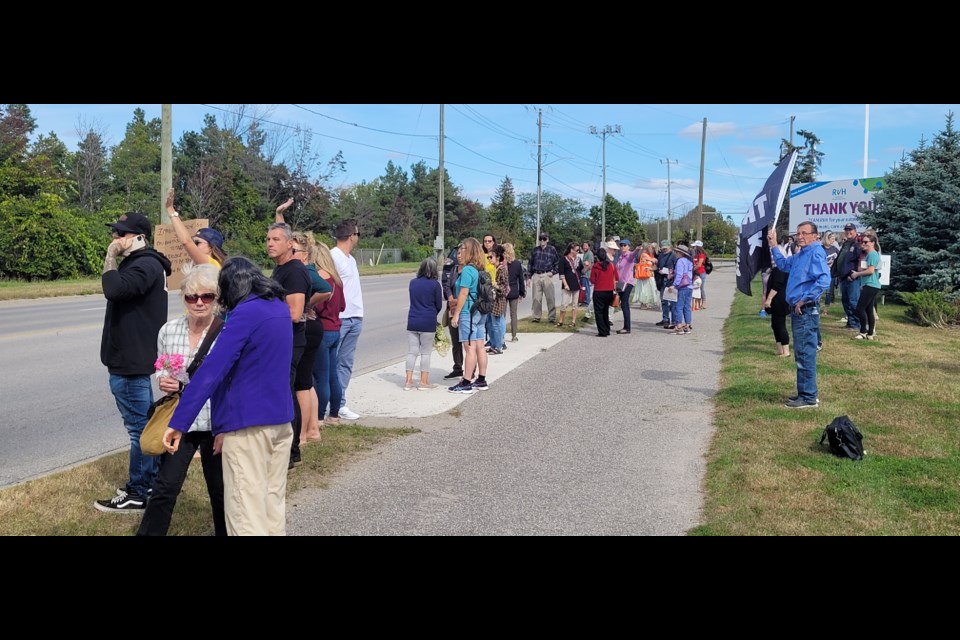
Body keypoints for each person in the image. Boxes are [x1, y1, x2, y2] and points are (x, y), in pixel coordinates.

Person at [164, 257, 294, 535]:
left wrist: (178, 422)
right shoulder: (279, 308)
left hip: (248, 427)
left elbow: (213, 370)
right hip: (281, 422)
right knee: (272, 505)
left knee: (245, 513)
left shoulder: (245, 313)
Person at [137, 264, 226, 536]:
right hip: (181, 420)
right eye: (191, 297)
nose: (199, 302)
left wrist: (227, 429)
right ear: (184, 299)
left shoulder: (227, 332)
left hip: (215, 420)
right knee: (165, 487)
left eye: (207, 296)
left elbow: (233, 380)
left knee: (220, 490)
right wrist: (163, 380)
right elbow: (162, 368)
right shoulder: (168, 331)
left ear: (217, 299)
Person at [94, 211, 172, 513]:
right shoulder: (146, 264)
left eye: (121, 234)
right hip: (133, 357)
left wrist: (109, 257)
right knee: (143, 423)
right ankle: (150, 481)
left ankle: (138, 492)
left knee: (139, 429)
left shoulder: (146, 265)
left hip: (130, 360)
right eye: (114, 233)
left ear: (138, 237)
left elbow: (112, 289)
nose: (115, 239)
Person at [266, 207, 311, 468]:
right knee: (283, 392)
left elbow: (294, 313)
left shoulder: (294, 271)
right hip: (281, 341)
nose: (271, 244)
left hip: (290, 342)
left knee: (287, 393)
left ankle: (291, 452)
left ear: (290, 244)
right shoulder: (282, 269)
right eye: (269, 239)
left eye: (276, 240)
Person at [769, 221, 831, 409]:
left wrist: (804, 299)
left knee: (805, 353)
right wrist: (773, 245)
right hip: (798, 310)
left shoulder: (816, 252)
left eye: (804, 233)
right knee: (802, 353)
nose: (800, 236)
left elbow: (824, 280)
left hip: (805, 310)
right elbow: (783, 265)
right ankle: (805, 393)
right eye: (798, 233)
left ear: (815, 235)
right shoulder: (800, 254)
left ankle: (809, 397)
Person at [292, 232, 332, 444]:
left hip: (308, 327)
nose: (291, 253)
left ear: (305, 254)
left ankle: (301, 434)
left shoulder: (306, 270)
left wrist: (307, 305)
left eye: (295, 251)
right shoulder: (301, 269)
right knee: (307, 382)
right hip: (313, 327)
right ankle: (313, 428)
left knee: (301, 383)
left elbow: (326, 289)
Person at [330, 219, 364, 420]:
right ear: (352, 236)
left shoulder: (350, 259)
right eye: (357, 235)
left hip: (355, 316)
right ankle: (327, 404)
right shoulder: (333, 257)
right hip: (340, 317)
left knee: (345, 363)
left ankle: (340, 403)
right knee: (331, 363)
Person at [448, 238, 489, 393]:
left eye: (463, 249)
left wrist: (456, 314)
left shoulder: (467, 270)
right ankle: (481, 379)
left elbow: (464, 293)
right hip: (479, 311)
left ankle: (466, 382)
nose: (459, 253)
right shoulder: (479, 269)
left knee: (469, 347)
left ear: (470, 251)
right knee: (480, 346)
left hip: (468, 312)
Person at [312, 242, 346, 426]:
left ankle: (319, 416)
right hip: (336, 328)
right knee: (333, 375)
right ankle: (334, 413)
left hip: (322, 329)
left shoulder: (318, 281)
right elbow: (342, 306)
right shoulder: (336, 280)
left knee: (321, 376)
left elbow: (315, 306)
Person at [405, 257, 444, 390]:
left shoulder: (412, 283)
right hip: (428, 321)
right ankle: (423, 382)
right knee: (425, 353)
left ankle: (408, 381)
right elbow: (438, 305)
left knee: (412, 352)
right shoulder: (435, 285)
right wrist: (432, 313)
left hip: (413, 321)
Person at [165, 188, 227, 268]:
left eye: (197, 243)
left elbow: (186, 242)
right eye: (193, 242)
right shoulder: (213, 265)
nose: (193, 245)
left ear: (211, 248)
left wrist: (170, 210)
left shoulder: (211, 264)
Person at [852, 230, 882, 341]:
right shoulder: (869, 255)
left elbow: (870, 271)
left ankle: (863, 331)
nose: (863, 244)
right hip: (869, 284)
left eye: (866, 242)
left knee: (860, 308)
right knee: (869, 309)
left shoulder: (873, 254)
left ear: (872, 243)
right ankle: (870, 334)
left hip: (871, 285)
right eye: (862, 242)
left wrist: (857, 274)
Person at [442, 243, 465, 380]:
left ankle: (470, 369)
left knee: (468, 342)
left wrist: (458, 301)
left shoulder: (470, 270)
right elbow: (446, 286)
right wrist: (450, 298)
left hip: (465, 310)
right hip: (453, 309)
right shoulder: (455, 269)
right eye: (457, 253)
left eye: (461, 252)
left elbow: (467, 291)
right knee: (455, 341)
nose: (458, 255)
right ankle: (457, 367)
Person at [763, 247, 791, 357]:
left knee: (780, 325)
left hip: (780, 300)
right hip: (776, 300)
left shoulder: (781, 268)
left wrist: (769, 298)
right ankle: (780, 349)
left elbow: (777, 285)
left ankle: (786, 350)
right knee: (775, 325)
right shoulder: (775, 268)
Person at [526, 232, 558, 323]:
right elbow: (530, 264)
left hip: (546, 274)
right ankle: (536, 317)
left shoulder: (552, 249)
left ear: (547, 239)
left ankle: (552, 317)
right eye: (540, 239)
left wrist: (553, 272)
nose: (542, 241)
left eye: (544, 239)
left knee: (550, 297)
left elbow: (557, 263)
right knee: (536, 298)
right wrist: (528, 277)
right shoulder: (535, 250)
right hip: (536, 274)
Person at [834, 223, 861, 330]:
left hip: (852, 277)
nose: (848, 232)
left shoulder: (858, 243)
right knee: (845, 301)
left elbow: (859, 260)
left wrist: (852, 274)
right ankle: (851, 322)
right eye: (846, 230)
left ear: (855, 230)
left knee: (853, 301)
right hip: (843, 276)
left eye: (850, 230)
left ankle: (858, 323)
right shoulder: (846, 243)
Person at [614, 239, 641, 334]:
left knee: (625, 303)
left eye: (625, 245)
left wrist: (637, 249)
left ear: (629, 246)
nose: (622, 247)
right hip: (621, 283)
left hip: (628, 282)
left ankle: (627, 327)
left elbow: (633, 254)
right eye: (621, 245)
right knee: (623, 304)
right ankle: (626, 326)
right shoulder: (620, 257)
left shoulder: (629, 255)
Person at [487, 244, 509, 353]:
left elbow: (505, 288)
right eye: (488, 257)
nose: (489, 259)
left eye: (491, 257)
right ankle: (494, 344)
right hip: (493, 299)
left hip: (499, 300)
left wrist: (496, 286)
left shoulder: (502, 270)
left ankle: (499, 346)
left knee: (497, 324)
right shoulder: (495, 269)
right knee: (491, 323)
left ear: (498, 258)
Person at [668, 244, 695, 335]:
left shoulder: (680, 261)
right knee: (687, 306)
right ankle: (687, 325)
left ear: (680, 253)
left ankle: (678, 326)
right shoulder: (689, 262)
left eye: (676, 252)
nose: (675, 253)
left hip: (682, 287)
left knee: (678, 306)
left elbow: (680, 275)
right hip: (689, 286)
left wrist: (675, 285)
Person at [590, 247, 616, 337]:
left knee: (599, 312)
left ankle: (602, 331)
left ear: (597, 257)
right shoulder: (611, 265)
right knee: (605, 311)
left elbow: (592, 280)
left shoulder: (595, 266)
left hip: (598, 291)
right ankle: (607, 329)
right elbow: (617, 277)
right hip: (609, 291)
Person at [503, 242, 525, 343]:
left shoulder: (502, 264)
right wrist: (522, 293)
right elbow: (521, 279)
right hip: (514, 291)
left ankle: (501, 335)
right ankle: (514, 335)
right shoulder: (517, 264)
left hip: (503, 291)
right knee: (513, 314)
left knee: (501, 315)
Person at [556, 241, 581, 329]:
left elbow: (581, 271)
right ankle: (561, 321)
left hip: (576, 285)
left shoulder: (578, 259)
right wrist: (565, 284)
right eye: (577, 250)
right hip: (567, 285)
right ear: (571, 250)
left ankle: (573, 321)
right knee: (564, 304)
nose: (578, 252)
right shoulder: (563, 259)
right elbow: (561, 274)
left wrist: (587, 266)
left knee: (575, 304)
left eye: (578, 250)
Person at [655, 240, 677, 328]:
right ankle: (665, 319)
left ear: (670, 247)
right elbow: (659, 266)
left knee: (672, 301)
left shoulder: (674, 256)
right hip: (662, 279)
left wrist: (667, 272)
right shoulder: (661, 255)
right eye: (663, 248)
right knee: (663, 301)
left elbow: (675, 268)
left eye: (666, 249)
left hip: (670, 280)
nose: (664, 250)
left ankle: (674, 320)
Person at [821, 231, 840, 315]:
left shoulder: (834, 249)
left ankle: (826, 309)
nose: (833, 240)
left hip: (830, 273)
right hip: (821, 273)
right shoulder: (820, 248)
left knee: (829, 292)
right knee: (819, 290)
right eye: (832, 238)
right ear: (827, 238)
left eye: (834, 239)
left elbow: (839, 260)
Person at [692, 240, 709, 309]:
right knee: (694, 287)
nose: (693, 248)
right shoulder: (694, 255)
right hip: (695, 272)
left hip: (701, 272)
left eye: (695, 246)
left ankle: (704, 301)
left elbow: (699, 265)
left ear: (698, 247)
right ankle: (696, 302)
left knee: (701, 287)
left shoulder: (701, 255)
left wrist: (692, 270)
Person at [579, 241, 594, 318]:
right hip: (584, 274)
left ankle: (587, 301)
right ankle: (584, 300)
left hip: (587, 274)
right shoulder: (585, 253)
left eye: (586, 246)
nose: (584, 247)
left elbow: (591, 264)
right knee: (584, 288)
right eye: (583, 245)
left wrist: (584, 270)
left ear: (589, 246)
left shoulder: (589, 254)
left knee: (587, 288)